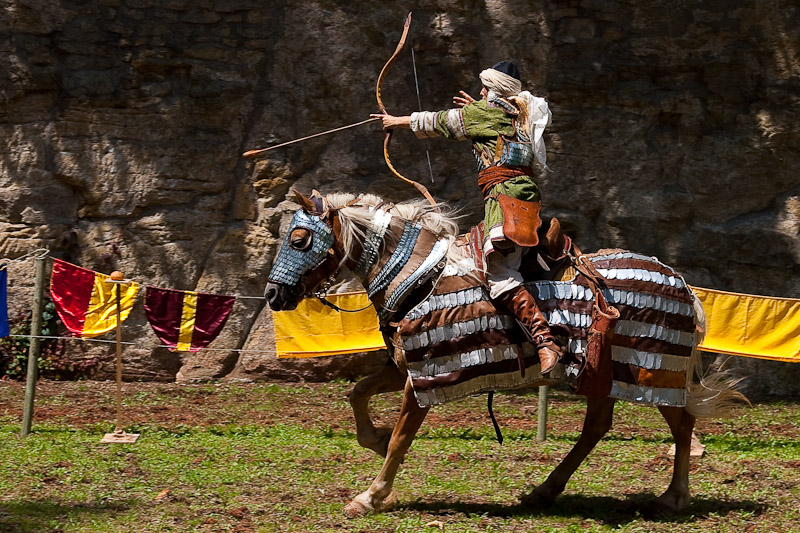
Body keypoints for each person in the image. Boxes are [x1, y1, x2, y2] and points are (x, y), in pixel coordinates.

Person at [371, 60, 563, 374]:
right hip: (521, 198)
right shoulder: (517, 112)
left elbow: (438, 121)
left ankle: (545, 341)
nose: (479, 92)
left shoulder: (482, 114)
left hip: (507, 202)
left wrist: (395, 121)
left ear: (494, 91)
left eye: (484, 88)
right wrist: (477, 108)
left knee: (498, 274)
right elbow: (488, 125)